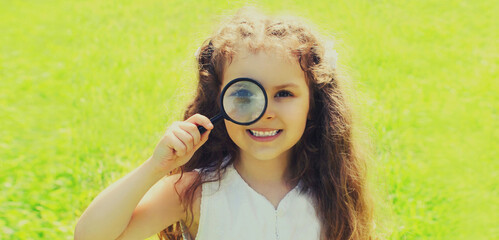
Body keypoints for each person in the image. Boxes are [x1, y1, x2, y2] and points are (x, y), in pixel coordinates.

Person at [75, 7, 374, 240]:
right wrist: (155, 168)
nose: (266, 112)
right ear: (218, 100)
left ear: (313, 104)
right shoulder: (194, 191)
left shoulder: (333, 189)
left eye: (284, 93)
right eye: (245, 94)